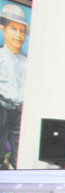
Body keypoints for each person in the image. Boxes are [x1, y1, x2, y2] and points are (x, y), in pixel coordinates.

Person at [0, 3, 26, 169]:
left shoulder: (26, 62)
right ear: (2, 29)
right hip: (2, 108)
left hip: (19, 112)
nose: (18, 35)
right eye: (13, 29)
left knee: (18, 156)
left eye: (21, 31)